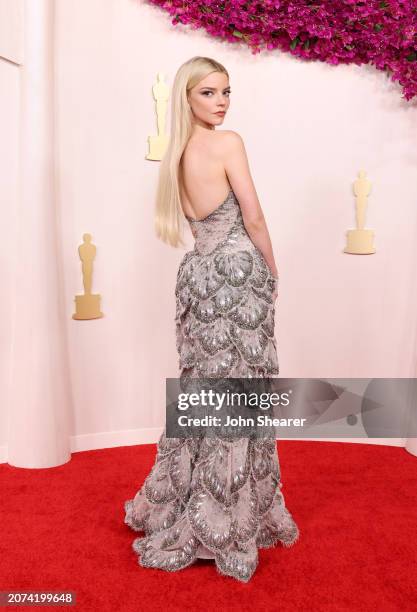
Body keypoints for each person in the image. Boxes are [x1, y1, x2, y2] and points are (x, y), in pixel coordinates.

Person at [124, 56, 299, 583]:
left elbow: (200, 222)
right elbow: (254, 214)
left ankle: (185, 505)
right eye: (208, 93)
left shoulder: (176, 155)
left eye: (226, 91)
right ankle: (224, 519)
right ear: (187, 98)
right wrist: (272, 267)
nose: (221, 102)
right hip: (236, 272)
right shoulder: (228, 144)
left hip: (198, 275)